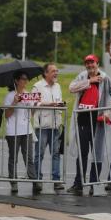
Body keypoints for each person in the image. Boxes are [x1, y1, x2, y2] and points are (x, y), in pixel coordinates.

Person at [67, 54, 111, 196]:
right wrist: (89, 81)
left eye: (93, 63)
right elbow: (71, 88)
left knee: (97, 153)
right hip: (83, 120)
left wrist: (110, 113)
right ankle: (78, 184)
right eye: (88, 64)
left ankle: (93, 183)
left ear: (97, 64)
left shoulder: (105, 78)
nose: (90, 66)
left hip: (98, 122)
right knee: (82, 153)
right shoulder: (82, 76)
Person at [4, 71, 39, 193]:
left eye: (26, 79)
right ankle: (13, 182)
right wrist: (14, 102)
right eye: (23, 79)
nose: (25, 81)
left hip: (27, 130)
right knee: (13, 157)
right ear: (17, 81)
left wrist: (34, 106)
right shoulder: (10, 95)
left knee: (29, 157)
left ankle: (34, 181)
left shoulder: (28, 94)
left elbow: (31, 115)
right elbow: (7, 115)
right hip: (13, 131)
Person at [31, 63, 64, 192]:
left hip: (55, 125)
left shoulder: (58, 86)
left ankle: (56, 180)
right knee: (39, 154)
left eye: (57, 71)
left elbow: (59, 100)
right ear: (45, 73)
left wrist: (60, 105)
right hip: (42, 126)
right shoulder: (37, 86)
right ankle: (37, 180)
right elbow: (34, 103)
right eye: (53, 71)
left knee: (56, 154)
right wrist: (49, 104)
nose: (56, 73)